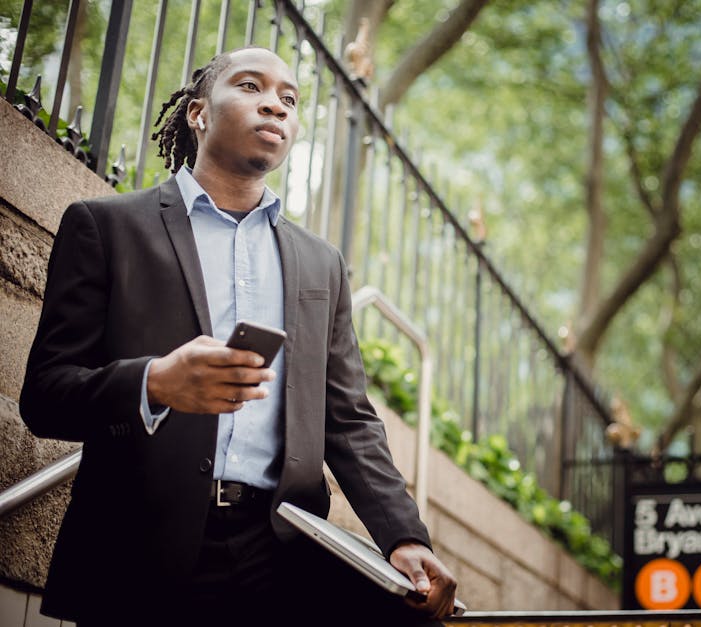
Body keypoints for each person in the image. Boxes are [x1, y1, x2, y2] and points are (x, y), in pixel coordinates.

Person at [20, 46, 457, 625]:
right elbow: (46, 396)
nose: (275, 105)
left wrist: (405, 535)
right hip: (136, 548)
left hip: (279, 557)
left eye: (289, 99)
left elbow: (348, 418)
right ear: (198, 113)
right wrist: (155, 384)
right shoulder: (105, 227)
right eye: (251, 87)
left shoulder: (321, 263)